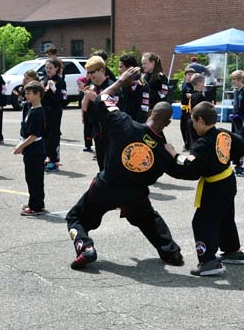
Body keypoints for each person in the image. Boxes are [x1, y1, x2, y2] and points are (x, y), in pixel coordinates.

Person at [65, 67, 184, 270]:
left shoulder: (126, 125)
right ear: (168, 123)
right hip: (134, 193)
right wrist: (177, 155)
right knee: (148, 218)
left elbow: (103, 98)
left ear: (150, 113)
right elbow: (185, 171)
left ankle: (85, 248)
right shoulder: (164, 151)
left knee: (75, 217)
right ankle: (171, 252)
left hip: (106, 186)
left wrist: (121, 81)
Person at [165, 101, 244, 276]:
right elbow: (239, 145)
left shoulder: (202, 145)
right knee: (225, 217)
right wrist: (225, 158)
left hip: (215, 185)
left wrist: (174, 156)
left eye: (193, 122)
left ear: (200, 120)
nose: (193, 126)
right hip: (227, 179)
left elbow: (191, 170)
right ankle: (233, 251)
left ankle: (209, 261)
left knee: (202, 221)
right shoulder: (223, 134)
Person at [14, 81, 46, 216]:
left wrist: (21, 146)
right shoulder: (31, 108)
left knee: (34, 178)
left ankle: (36, 206)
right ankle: (36, 201)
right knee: (32, 177)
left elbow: (34, 135)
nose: (26, 96)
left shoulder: (37, 112)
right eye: (25, 93)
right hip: (32, 150)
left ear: (37, 94)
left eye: (28, 93)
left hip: (35, 150)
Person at [82, 55, 113, 170]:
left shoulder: (111, 86)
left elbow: (112, 111)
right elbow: (84, 108)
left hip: (109, 131)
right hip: (97, 130)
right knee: (101, 164)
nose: (90, 76)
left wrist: (96, 99)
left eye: (92, 72)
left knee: (110, 165)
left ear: (101, 71)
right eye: (88, 73)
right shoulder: (91, 86)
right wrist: (86, 96)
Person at [41, 58, 67, 172]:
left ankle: (54, 161)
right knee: (44, 135)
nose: (48, 70)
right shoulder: (45, 79)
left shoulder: (60, 81)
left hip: (55, 112)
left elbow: (63, 99)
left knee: (53, 136)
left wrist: (54, 89)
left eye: (50, 68)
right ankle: (46, 158)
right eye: (46, 67)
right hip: (44, 111)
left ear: (56, 68)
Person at [117, 53, 150, 123]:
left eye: (121, 67)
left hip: (134, 125)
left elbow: (143, 110)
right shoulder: (121, 82)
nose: (118, 69)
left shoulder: (142, 85)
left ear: (130, 69)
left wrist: (136, 127)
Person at [187, 73, 206, 144]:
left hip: (190, 119)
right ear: (199, 83)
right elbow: (201, 110)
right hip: (197, 121)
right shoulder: (199, 96)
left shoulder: (192, 95)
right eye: (203, 82)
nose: (204, 84)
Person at [179, 67, 195, 150]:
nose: (190, 76)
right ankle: (186, 143)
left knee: (189, 127)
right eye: (189, 75)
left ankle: (190, 144)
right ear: (185, 76)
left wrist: (192, 96)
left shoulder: (194, 85)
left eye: (192, 75)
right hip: (183, 109)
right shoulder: (184, 83)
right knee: (182, 127)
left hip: (190, 110)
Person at [77, 76, 94, 152]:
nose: (78, 85)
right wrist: (82, 116)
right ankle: (88, 145)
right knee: (87, 131)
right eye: (77, 83)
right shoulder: (81, 92)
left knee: (94, 130)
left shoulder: (90, 91)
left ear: (85, 83)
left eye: (80, 83)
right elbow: (82, 106)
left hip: (91, 113)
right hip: (86, 114)